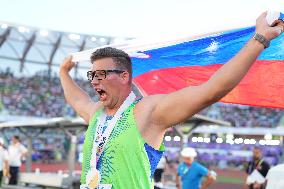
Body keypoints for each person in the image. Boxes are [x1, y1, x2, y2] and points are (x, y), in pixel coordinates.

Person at [59, 12, 283, 189]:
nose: (94, 82)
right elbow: (77, 100)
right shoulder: (97, 112)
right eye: (92, 75)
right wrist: (63, 72)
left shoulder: (148, 111)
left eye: (102, 74)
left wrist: (259, 40)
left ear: (124, 76)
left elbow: (210, 90)